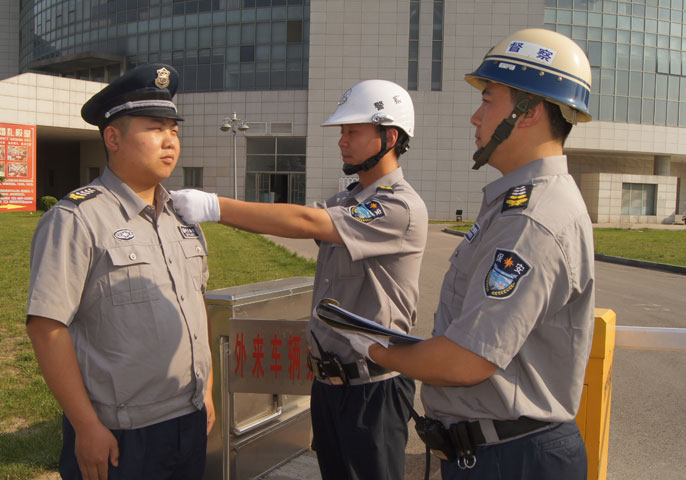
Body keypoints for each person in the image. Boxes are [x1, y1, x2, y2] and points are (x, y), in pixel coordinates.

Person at [344, 29, 596, 479]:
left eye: (488, 100)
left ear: (528, 112)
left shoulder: (531, 218)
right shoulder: (517, 202)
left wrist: (376, 352)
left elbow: (465, 361)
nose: (475, 117)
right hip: (499, 451)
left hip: (513, 458)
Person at [171, 79, 428, 479]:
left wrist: (214, 205)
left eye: (352, 132)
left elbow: (306, 221)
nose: (342, 141)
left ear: (389, 136)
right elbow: (288, 221)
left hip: (372, 389)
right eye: (342, 132)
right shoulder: (348, 201)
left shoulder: (399, 206)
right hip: (329, 386)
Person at [26, 63, 214, 480]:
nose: (170, 141)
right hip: (121, 433)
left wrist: (208, 393)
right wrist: (86, 425)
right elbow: (46, 327)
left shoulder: (182, 218)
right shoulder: (76, 219)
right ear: (113, 137)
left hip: (189, 418)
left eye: (174, 129)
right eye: (155, 128)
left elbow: (196, 307)